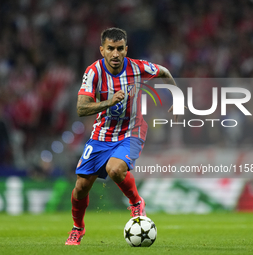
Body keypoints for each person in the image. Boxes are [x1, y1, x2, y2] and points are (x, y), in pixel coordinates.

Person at [65, 27, 177, 245]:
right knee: (81, 186)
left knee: (115, 169)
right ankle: (77, 228)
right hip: (101, 134)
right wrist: (109, 102)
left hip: (131, 131)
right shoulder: (93, 72)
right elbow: (81, 108)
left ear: (126, 50)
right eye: (110, 49)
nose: (115, 54)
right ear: (102, 50)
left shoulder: (137, 67)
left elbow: (164, 71)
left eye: (119, 49)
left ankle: (136, 202)